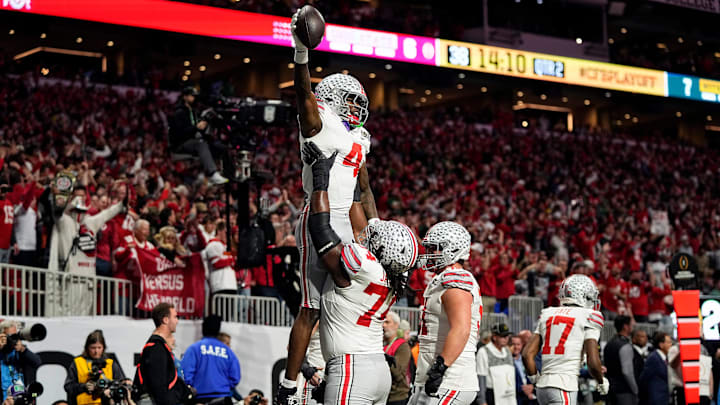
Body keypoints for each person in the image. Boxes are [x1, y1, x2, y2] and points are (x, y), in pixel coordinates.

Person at [278, 8, 378, 404]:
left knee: (345, 299)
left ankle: (329, 372)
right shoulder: (318, 121)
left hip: (346, 224)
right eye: (351, 100)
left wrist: (375, 230)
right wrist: (301, 53)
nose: (357, 108)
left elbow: (364, 191)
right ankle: (288, 386)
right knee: (310, 306)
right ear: (332, 99)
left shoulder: (359, 139)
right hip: (317, 216)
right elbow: (303, 94)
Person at [284, 142, 418, 405]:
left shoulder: (364, 265)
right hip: (377, 370)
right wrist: (353, 172)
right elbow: (359, 215)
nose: (372, 234)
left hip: (351, 369)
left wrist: (321, 179)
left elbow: (320, 229)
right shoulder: (392, 278)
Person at [410, 221, 483, 405]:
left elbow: (461, 329)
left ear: (453, 249)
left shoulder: (456, 278)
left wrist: (439, 369)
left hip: (450, 380)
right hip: (434, 379)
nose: (430, 254)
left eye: (435, 249)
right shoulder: (441, 278)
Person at [522, 274, 609, 405]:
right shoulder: (589, 315)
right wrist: (601, 381)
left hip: (542, 388)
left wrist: (535, 379)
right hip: (564, 386)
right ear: (583, 295)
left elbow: (527, 354)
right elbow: (593, 362)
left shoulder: (548, 313)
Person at [134, 303, 192, 405]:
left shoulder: (158, 346)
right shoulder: (156, 348)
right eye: (175, 317)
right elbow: (159, 387)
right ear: (165, 320)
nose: (177, 321)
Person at [168, 86, 227, 186]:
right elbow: (179, 133)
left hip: (192, 140)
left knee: (220, 147)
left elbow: (196, 130)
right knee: (200, 143)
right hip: (180, 144)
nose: (194, 98)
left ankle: (228, 173)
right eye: (192, 96)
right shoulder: (179, 113)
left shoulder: (194, 111)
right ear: (185, 97)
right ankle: (212, 174)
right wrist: (196, 127)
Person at [181, 315, 240, 404]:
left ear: (203, 328)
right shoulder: (228, 351)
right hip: (223, 398)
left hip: (200, 398)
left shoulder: (194, 349)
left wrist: (195, 387)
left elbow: (185, 374)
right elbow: (235, 377)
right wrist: (223, 386)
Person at [64, 330, 125, 405]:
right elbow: (68, 386)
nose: (96, 351)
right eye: (93, 348)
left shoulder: (110, 364)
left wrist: (110, 390)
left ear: (104, 348)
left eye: (99, 347)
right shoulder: (78, 363)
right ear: (87, 348)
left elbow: (121, 384)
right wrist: (84, 387)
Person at [476, 324, 516, 405]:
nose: (506, 339)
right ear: (494, 337)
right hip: (492, 395)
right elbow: (481, 377)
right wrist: (482, 401)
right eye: (503, 336)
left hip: (508, 396)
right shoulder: (483, 351)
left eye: (507, 336)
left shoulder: (507, 351)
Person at [604, 316, 638, 405]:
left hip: (610, 389)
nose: (633, 327)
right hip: (625, 391)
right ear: (626, 327)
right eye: (631, 325)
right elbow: (627, 372)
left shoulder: (609, 344)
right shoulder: (625, 346)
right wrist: (636, 389)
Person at [201, 223, 237, 297]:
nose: (228, 235)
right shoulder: (213, 244)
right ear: (219, 231)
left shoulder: (225, 247)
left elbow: (232, 261)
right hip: (220, 285)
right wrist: (232, 260)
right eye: (226, 232)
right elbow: (216, 263)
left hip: (231, 284)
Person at [383, 311, 411, 405]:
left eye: (387, 322)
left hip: (396, 397)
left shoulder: (402, 346)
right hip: (382, 396)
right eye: (382, 322)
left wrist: (384, 359)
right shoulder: (380, 344)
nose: (383, 325)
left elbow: (398, 372)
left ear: (396, 325)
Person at [638, 332, 672, 405]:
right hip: (655, 399)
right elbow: (643, 378)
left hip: (663, 398)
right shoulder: (654, 358)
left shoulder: (664, 358)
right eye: (668, 342)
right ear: (661, 344)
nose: (671, 345)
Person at [510, 334, 536, 405]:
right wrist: (523, 389)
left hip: (530, 398)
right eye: (513, 344)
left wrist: (532, 387)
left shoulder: (527, 360)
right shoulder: (507, 361)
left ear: (522, 345)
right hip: (516, 397)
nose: (516, 347)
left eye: (518, 344)